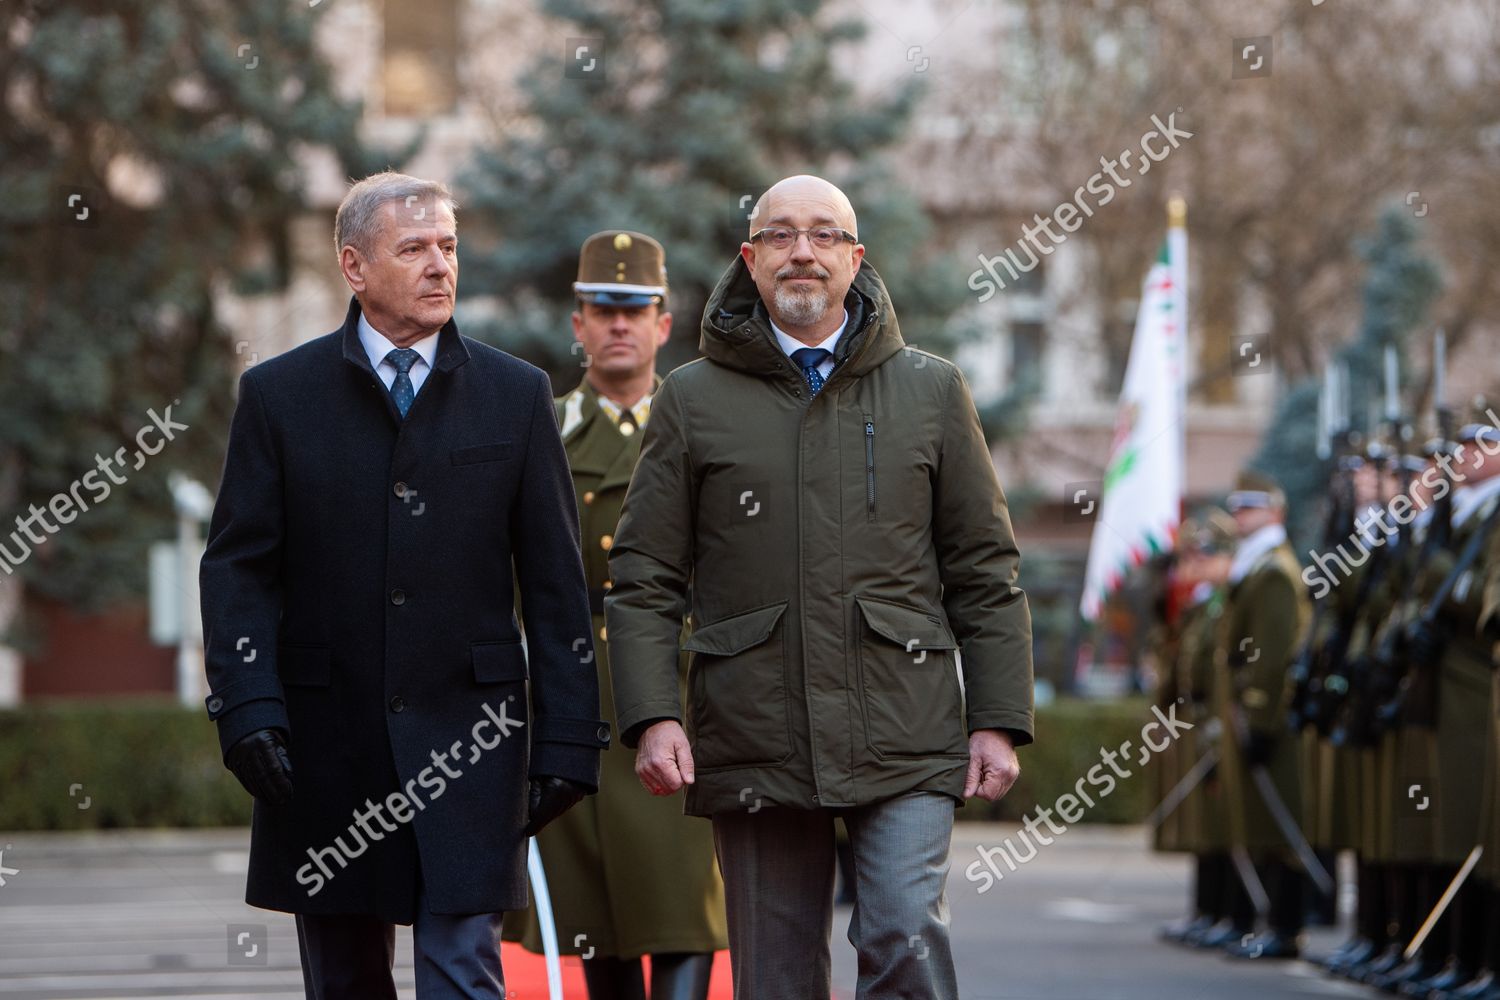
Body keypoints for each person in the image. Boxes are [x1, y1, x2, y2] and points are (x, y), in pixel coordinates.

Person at [604, 174, 1035, 999]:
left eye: (825, 235)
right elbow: (646, 575)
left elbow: (984, 567)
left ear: (856, 258)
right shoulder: (692, 399)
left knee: (906, 935)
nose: (803, 251)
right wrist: (654, 715)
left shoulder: (931, 389)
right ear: (750, 257)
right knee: (776, 973)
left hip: (906, 727)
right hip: (755, 730)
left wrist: (998, 720)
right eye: (781, 235)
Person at [199, 171, 608, 1000]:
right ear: (354, 266)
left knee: (464, 970)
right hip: (326, 745)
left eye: (449, 247)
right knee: (345, 981)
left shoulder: (516, 394)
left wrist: (569, 739)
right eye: (414, 248)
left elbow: (559, 584)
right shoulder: (279, 397)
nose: (439, 266)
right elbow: (239, 567)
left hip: (474, 744)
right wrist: (246, 707)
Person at [502, 230, 727, 1000]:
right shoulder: (545, 430)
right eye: (602, 310)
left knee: (684, 906)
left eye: (636, 310)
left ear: (665, 324)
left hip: (681, 687)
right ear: (579, 325)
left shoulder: (703, 423)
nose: (618, 325)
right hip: (578, 696)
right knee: (596, 913)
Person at [1214, 470, 1312, 960]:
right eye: (1237, 507)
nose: (1240, 516)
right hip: (1250, 713)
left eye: (1251, 508)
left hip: (1267, 715)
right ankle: (1267, 924)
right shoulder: (1255, 565)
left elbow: (1271, 656)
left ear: (1275, 513)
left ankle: (1287, 927)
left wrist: (1261, 716)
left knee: (1279, 826)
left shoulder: (1273, 571)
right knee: (1256, 822)